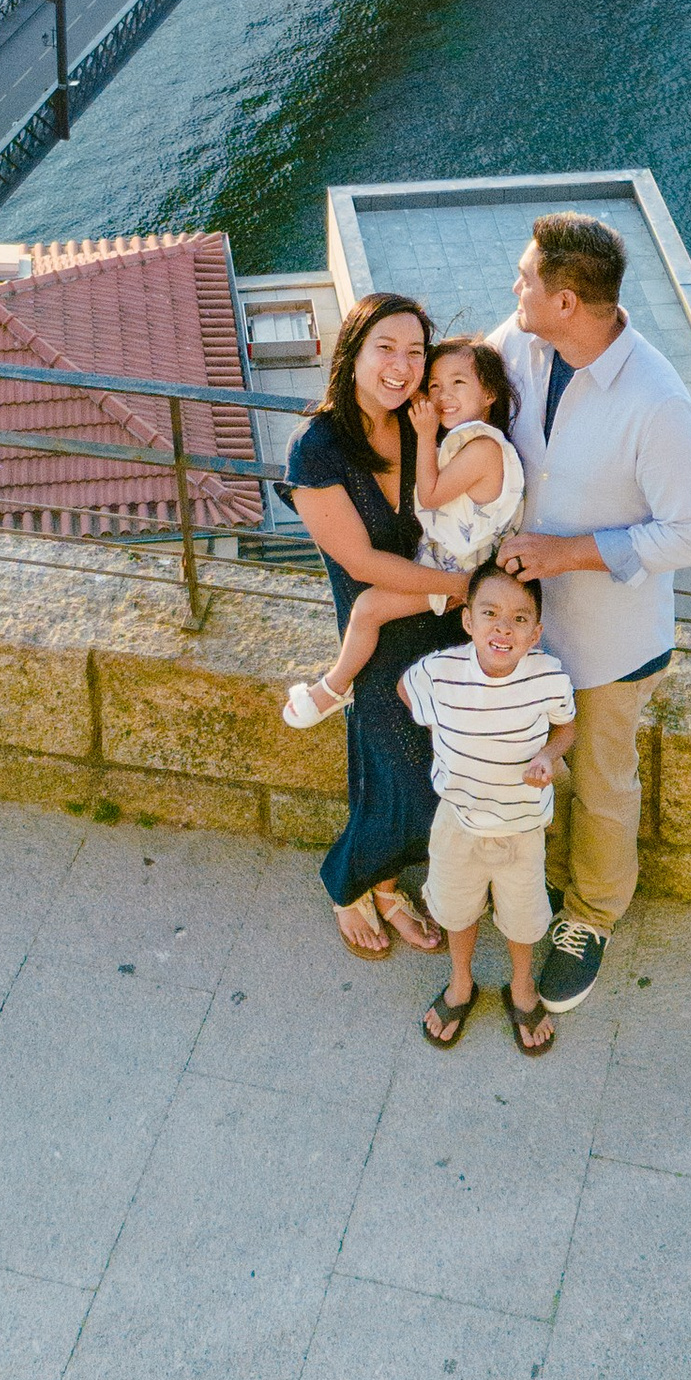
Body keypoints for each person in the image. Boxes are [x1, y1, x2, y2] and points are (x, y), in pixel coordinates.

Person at [490, 210, 691, 1015]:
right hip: (523, 627)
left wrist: (567, 551)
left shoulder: (659, 401)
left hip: (610, 643)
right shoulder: (521, 343)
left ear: (567, 301)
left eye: (525, 278)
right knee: (522, 758)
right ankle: (536, 884)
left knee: (600, 784)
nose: (513, 286)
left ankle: (589, 917)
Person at [283, 291, 464, 959]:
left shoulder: (428, 423)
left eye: (416, 350)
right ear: (352, 351)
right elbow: (359, 559)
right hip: (381, 637)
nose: (402, 364)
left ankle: (385, 883)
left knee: (432, 768)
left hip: (447, 627)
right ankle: (347, 878)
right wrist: (461, 587)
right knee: (421, 787)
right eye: (385, 347)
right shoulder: (318, 448)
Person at [282, 338, 521, 728]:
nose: (443, 396)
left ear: (490, 393)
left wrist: (425, 435)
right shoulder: (470, 442)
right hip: (464, 568)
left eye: (458, 383)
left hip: (465, 572)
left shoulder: (482, 449)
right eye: (436, 386)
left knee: (368, 609)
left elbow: (428, 495)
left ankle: (332, 689)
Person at [402, 558, 576, 1057]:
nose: (503, 627)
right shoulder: (439, 672)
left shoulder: (548, 677)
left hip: (522, 828)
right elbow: (405, 688)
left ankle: (521, 986)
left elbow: (567, 726)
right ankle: (461, 982)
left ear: (536, 632)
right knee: (457, 910)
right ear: (468, 620)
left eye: (520, 618)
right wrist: (437, 725)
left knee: (522, 919)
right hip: (457, 821)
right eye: (491, 613)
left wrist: (548, 754)